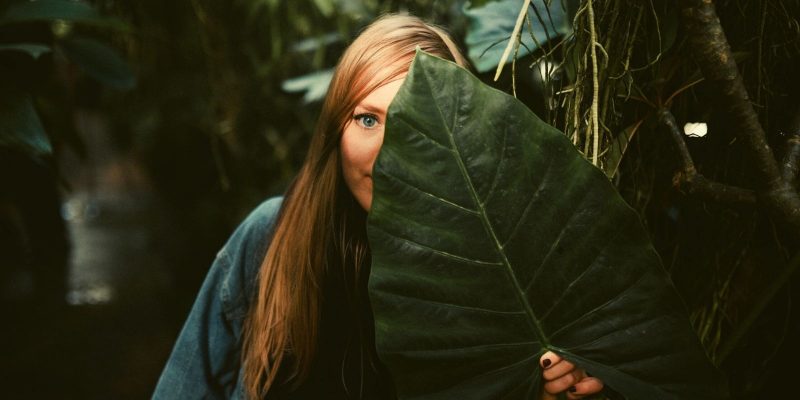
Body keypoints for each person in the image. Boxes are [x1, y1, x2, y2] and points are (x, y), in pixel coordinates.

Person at [153, 14, 604, 400]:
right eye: (367, 119)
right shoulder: (271, 239)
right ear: (335, 130)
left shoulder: (499, 266)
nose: (389, 153)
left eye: (416, 121)